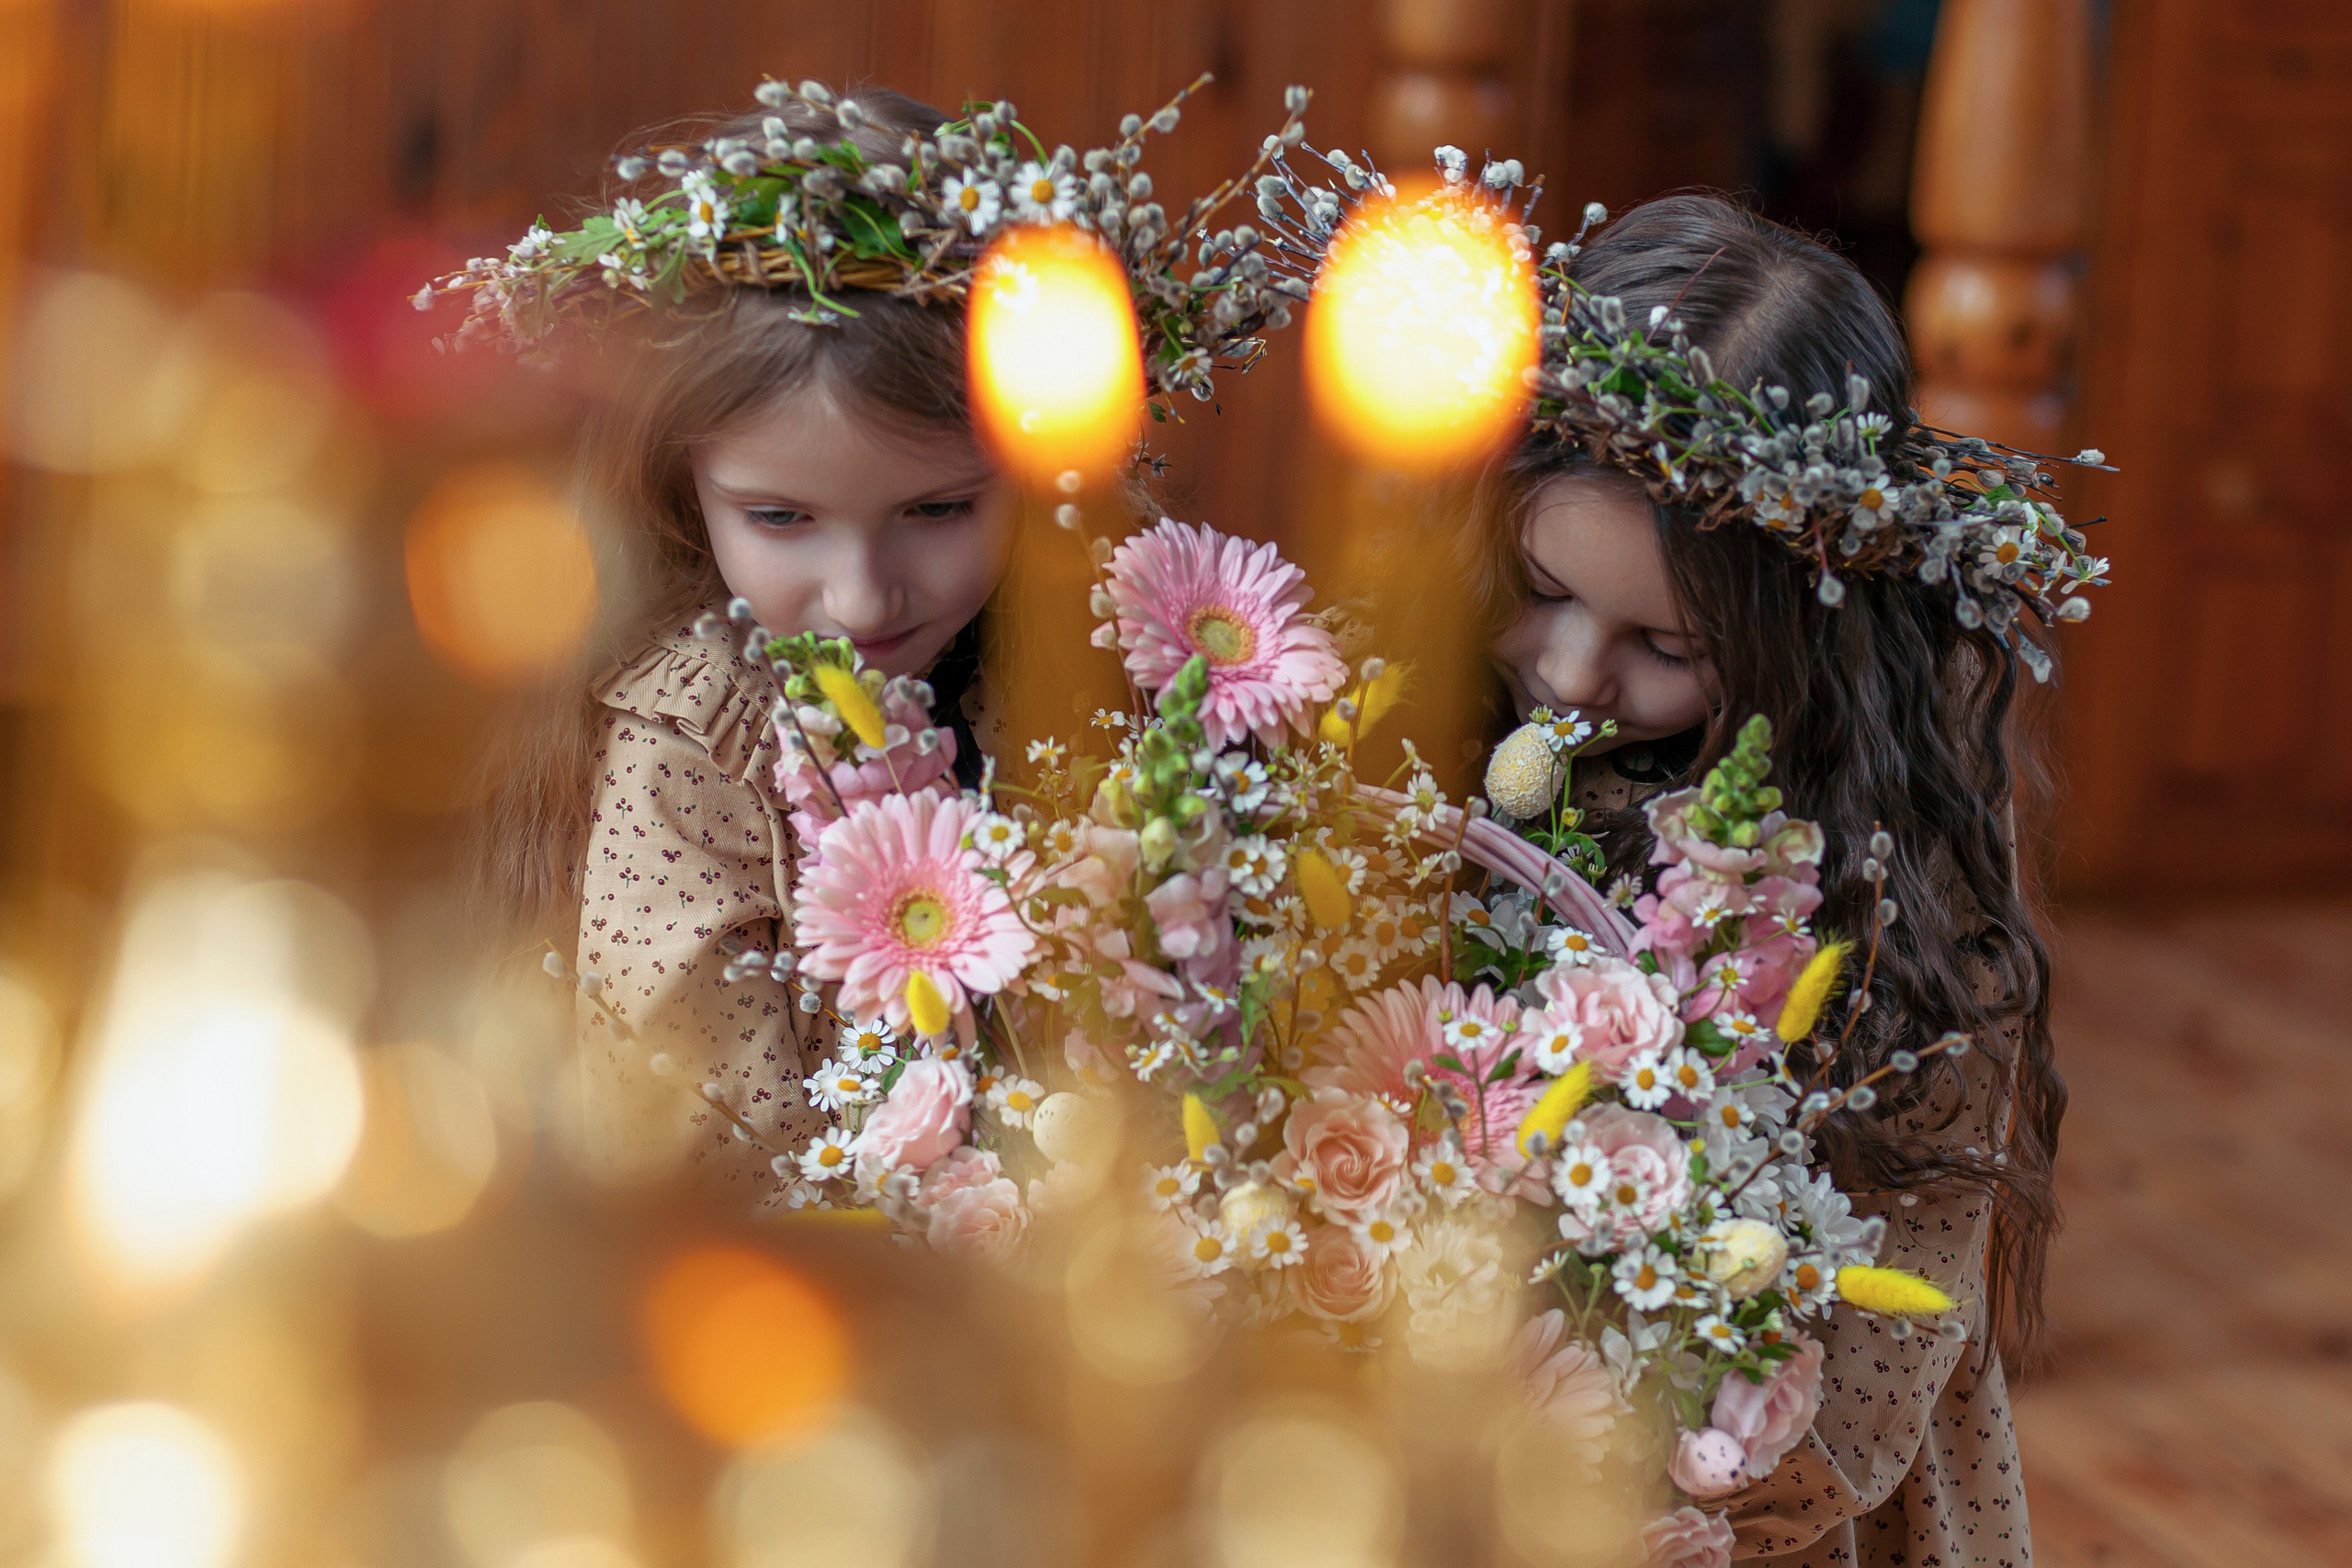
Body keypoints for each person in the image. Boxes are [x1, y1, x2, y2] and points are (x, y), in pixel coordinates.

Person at [451, 77, 1310, 1203]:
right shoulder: (690, 751)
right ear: (681, 482)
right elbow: (693, 1166)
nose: (861, 600)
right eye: (780, 519)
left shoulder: (1114, 664)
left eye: (938, 509)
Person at [1451, 194, 2107, 1566]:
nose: (1568, 675)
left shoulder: (1895, 887)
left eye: (1665, 647)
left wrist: (1643, 1482)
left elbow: (1881, 1346)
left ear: (1808, 647)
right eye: (1538, 586)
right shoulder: (1416, 718)